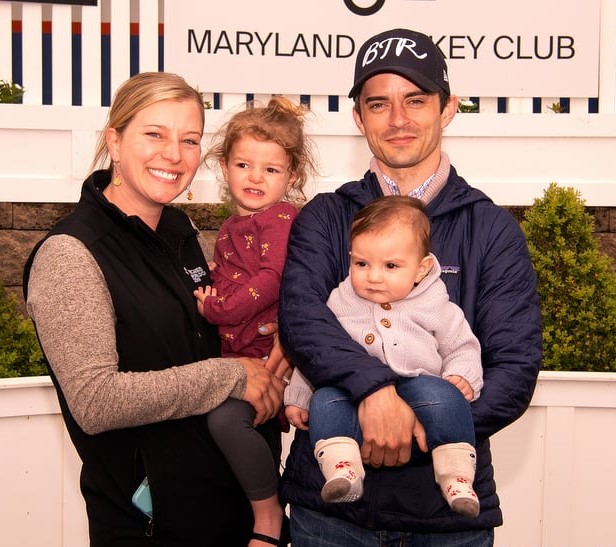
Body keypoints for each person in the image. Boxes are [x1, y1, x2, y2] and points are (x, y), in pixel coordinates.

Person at [278, 28, 543, 546]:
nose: (398, 119)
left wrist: (425, 427)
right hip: (332, 519)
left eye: (416, 100)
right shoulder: (326, 217)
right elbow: (304, 323)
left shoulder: (491, 228)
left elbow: (514, 365)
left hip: (448, 521)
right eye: (378, 104)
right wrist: (376, 393)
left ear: (448, 109)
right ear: (359, 118)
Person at [22, 72, 290, 547]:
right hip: (152, 528)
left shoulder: (179, 232)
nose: (174, 155)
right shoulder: (71, 253)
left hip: (236, 518)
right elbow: (95, 402)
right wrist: (231, 375)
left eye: (189, 140)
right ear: (115, 141)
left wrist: (280, 337)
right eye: (155, 134)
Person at [284, 195, 483, 518]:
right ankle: (342, 470)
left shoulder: (436, 304)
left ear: (421, 268)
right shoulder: (341, 300)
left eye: (391, 266)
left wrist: (462, 375)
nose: (373, 277)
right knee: (325, 401)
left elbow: (462, 345)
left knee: (445, 397)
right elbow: (316, 350)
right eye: (361, 264)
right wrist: (299, 395)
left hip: (419, 384)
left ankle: (456, 475)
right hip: (351, 393)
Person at [193, 97, 316, 547]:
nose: (255, 177)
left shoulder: (279, 218)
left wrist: (218, 309)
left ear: (292, 177)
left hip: (267, 361)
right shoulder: (235, 224)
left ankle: (268, 516)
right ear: (224, 166)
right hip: (237, 357)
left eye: (271, 169)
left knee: (226, 423)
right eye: (243, 164)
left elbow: (271, 279)